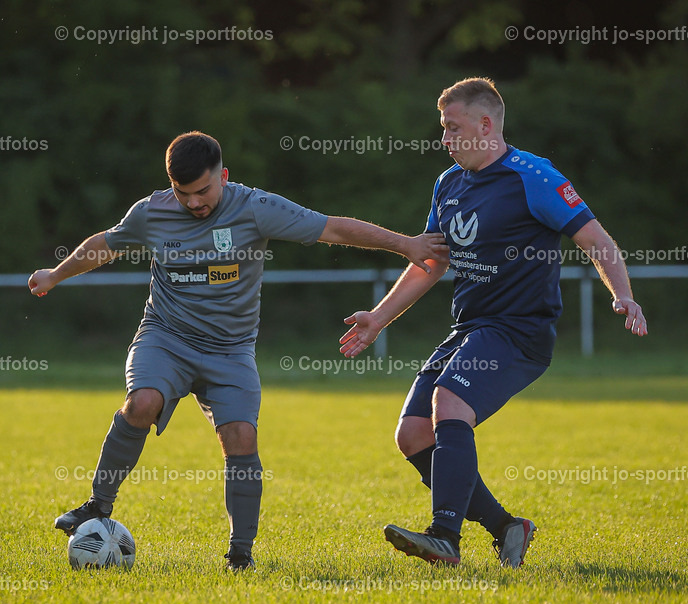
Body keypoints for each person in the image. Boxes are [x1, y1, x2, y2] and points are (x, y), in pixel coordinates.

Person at [28, 131, 448, 571]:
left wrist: (405, 243)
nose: (194, 202)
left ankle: (240, 554)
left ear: (223, 176)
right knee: (142, 402)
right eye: (183, 193)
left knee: (241, 437)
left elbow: (333, 227)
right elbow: (106, 244)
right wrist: (56, 274)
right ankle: (97, 505)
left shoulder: (255, 208)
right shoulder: (151, 212)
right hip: (165, 338)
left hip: (230, 351)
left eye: (203, 191)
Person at [339, 77, 648, 568]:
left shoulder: (534, 176)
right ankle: (507, 528)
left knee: (449, 402)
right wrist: (378, 318)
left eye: (453, 127)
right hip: (471, 328)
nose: (445, 138)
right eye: (443, 128)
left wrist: (623, 294)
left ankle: (445, 537)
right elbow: (431, 261)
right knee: (413, 434)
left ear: (485, 125)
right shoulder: (448, 183)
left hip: (519, 331)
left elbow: (596, 239)